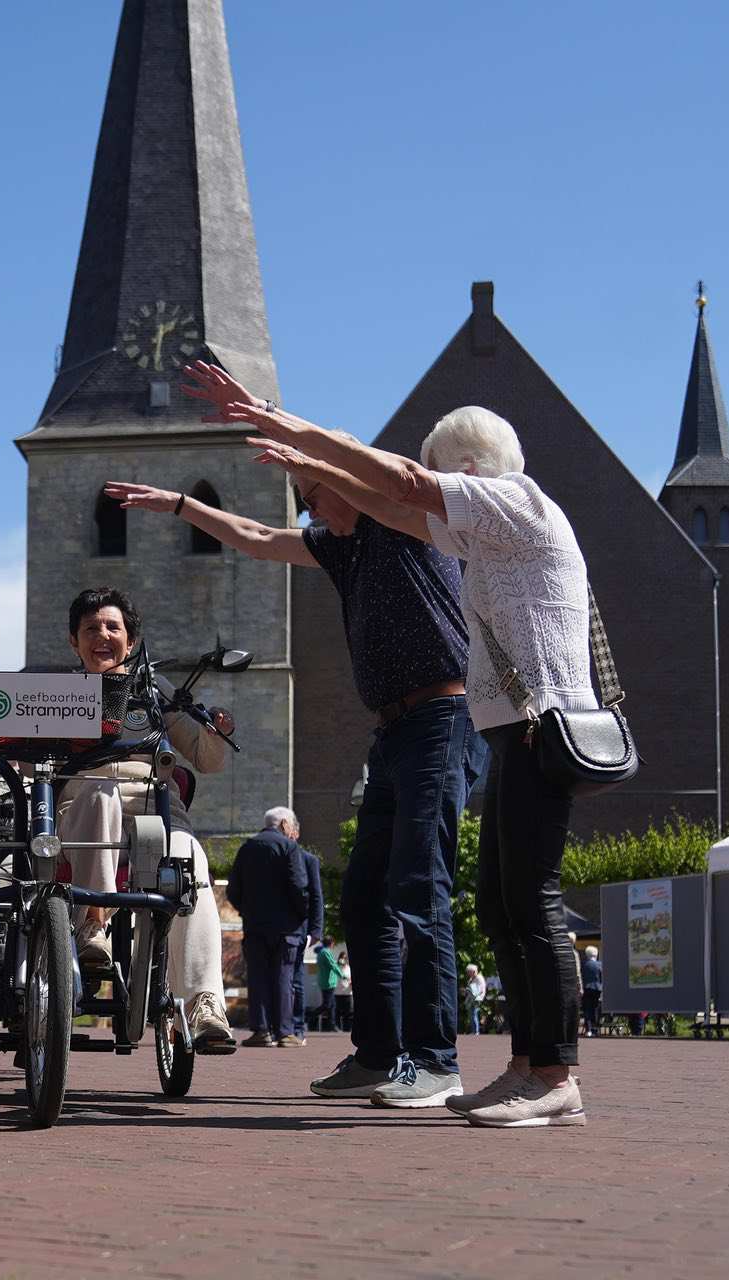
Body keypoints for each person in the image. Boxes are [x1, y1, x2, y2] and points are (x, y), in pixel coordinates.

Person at [109, 362, 475, 1110]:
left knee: (420, 888)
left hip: (442, 719)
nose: (311, 513)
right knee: (368, 896)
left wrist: (273, 421)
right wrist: (181, 505)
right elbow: (254, 536)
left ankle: (436, 1061)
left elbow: (362, 468)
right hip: (394, 731)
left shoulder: (401, 519)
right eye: (305, 502)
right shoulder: (340, 548)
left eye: (315, 496)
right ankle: (376, 1055)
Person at [234, 398, 594, 1129]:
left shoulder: (517, 505)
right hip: (505, 734)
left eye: (435, 474)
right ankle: (525, 1069)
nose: (423, 486)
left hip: (540, 729)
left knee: (532, 907)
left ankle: (554, 1075)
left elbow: (396, 484)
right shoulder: (483, 546)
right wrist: (309, 466)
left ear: (465, 472)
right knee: (500, 904)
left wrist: (289, 431)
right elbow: (389, 499)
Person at [58, 586, 238, 1053]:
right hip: (83, 805)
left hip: (151, 807)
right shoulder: (53, 697)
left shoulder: (153, 697)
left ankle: (204, 1005)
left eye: (113, 627)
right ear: (74, 642)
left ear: (131, 643)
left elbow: (206, 758)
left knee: (188, 858)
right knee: (99, 795)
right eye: (91, 629)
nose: (102, 635)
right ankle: (91, 926)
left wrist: (217, 730)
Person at [225, 809, 310, 1047]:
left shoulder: (247, 848)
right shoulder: (289, 848)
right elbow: (299, 886)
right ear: (284, 823)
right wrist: (300, 915)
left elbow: (233, 890)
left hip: (255, 925)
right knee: (283, 977)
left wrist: (247, 911)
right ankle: (285, 1033)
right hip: (286, 928)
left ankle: (262, 1032)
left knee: (258, 977)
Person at [286, 839, 324, 1046]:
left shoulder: (308, 860)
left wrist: (316, 930)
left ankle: (298, 1028)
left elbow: (316, 896)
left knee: (296, 980)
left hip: (299, 930)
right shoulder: (276, 858)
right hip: (277, 927)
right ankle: (281, 1028)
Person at [314, 937, 342, 1032]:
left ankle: (332, 1025)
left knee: (332, 1005)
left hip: (327, 981)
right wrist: (342, 975)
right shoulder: (326, 952)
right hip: (328, 982)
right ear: (331, 943)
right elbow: (332, 965)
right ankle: (309, 1016)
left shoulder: (321, 952)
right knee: (327, 1005)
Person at [580, 945, 603, 1036]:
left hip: (586, 989)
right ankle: (595, 1029)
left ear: (586, 954)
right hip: (597, 989)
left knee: (587, 1009)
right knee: (595, 1009)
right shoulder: (600, 964)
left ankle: (588, 1029)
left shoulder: (584, 964)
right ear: (596, 954)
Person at [464, 964, 487, 1035]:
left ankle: (476, 1031)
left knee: (474, 1014)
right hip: (471, 999)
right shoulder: (471, 979)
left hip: (477, 999)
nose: (467, 973)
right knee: (471, 1015)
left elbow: (480, 989)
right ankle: (474, 1031)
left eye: (469, 972)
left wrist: (469, 989)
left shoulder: (479, 978)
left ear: (473, 971)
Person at [334, 948, 354, 1033]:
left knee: (348, 1012)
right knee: (338, 1011)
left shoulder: (349, 968)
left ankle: (347, 1028)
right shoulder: (336, 967)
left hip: (347, 993)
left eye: (345, 958)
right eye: (342, 957)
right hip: (338, 993)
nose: (343, 960)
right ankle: (337, 1027)